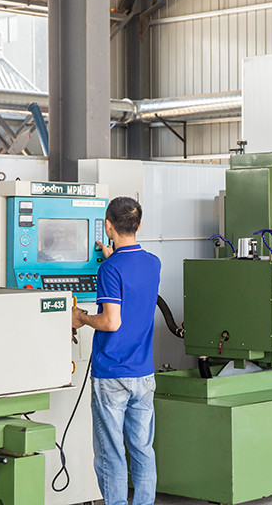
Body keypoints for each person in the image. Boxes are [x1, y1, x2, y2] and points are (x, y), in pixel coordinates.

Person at [72, 197, 162, 504]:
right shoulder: (153, 263)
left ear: (108, 226)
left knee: (111, 454)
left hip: (112, 374)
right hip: (143, 373)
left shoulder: (110, 270)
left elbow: (111, 322)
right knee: (143, 450)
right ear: (139, 225)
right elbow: (133, 286)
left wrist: (81, 317)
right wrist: (113, 258)